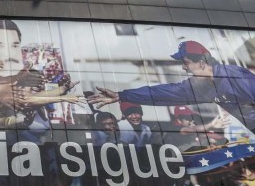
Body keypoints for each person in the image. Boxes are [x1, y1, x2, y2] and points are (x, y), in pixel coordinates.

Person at [88, 40, 255, 132]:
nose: (183, 67)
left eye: (185, 63)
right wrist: (121, 96)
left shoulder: (235, 76)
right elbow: (163, 93)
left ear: (202, 62)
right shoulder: (200, 86)